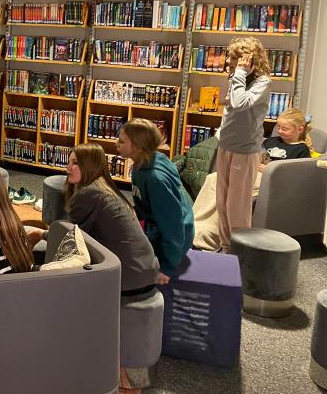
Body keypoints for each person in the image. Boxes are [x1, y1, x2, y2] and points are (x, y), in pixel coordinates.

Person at [193, 108, 315, 251]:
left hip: (270, 181)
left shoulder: (301, 150)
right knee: (213, 178)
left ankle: (209, 235)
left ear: (299, 129)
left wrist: (270, 169)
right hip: (251, 171)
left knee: (232, 186)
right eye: (279, 127)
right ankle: (196, 224)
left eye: (285, 129)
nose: (280, 131)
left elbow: (296, 176)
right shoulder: (271, 141)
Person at [66, 144, 160, 295]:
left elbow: (70, 238)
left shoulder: (88, 194)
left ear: (90, 165)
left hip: (129, 279)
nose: (68, 168)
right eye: (69, 162)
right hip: (147, 271)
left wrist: (41, 234)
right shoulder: (104, 187)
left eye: (75, 163)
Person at [117, 118, 194, 283]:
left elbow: (173, 225)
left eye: (122, 141)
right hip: (158, 225)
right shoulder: (147, 160)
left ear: (137, 146)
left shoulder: (155, 179)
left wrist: (166, 267)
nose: (117, 144)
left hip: (175, 238)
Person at [214, 37, 271, 253]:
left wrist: (239, 74)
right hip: (226, 146)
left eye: (235, 58)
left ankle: (239, 251)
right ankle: (225, 246)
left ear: (249, 60)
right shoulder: (238, 78)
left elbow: (240, 103)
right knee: (222, 202)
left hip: (244, 151)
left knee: (236, 206)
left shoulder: (262, 82)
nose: (229, 61)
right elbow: (230, 109)